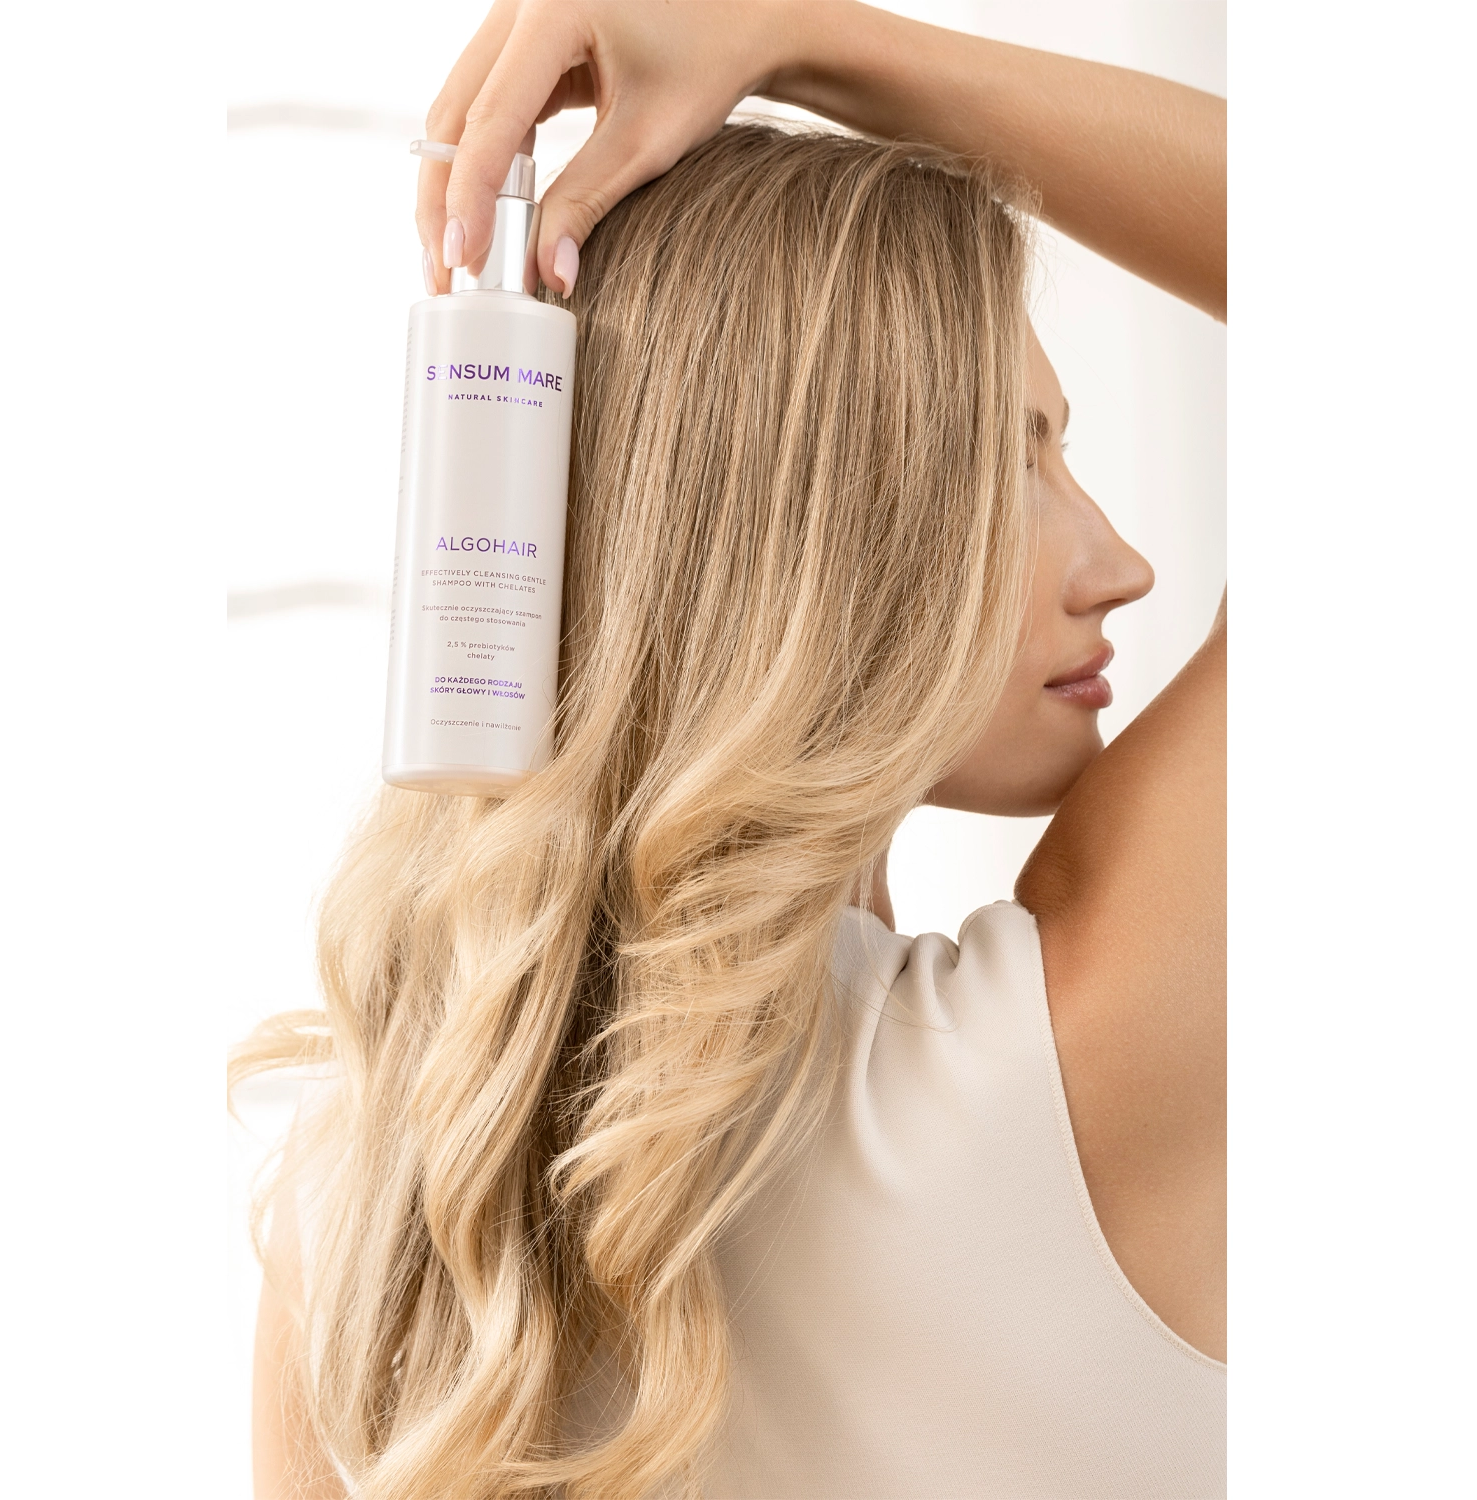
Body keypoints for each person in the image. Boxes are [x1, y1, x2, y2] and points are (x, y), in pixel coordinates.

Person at [244, 4, 1225, 1497]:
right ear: (807, 536)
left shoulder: (368, 1215)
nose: (1120, 565)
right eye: (1011, 462)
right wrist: (803, 37)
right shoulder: (1070, 1064)